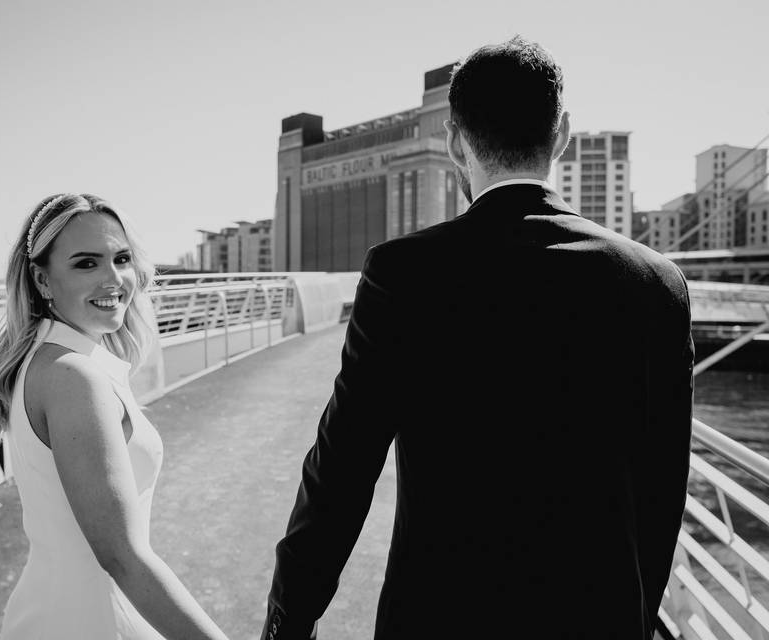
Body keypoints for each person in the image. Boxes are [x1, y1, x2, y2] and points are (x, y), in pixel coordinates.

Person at [260, 38, 693, 640]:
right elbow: (663, 482)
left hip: (439, 614)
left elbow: (344, 464)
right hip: (596, 615)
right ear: (562, 132)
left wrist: (292, 614)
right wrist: (635, 618)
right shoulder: (655, 281)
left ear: (454, 139)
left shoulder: (403, 273)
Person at [0, 194, 228, 640]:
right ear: (42, 279)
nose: (114, 279)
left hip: (52, 611)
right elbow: (121, 556)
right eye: (86, 264)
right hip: (97, 621)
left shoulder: (43, 360)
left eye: (122, 258)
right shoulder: (74, 377)